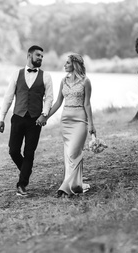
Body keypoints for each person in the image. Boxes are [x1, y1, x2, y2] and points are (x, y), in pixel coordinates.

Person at [0, 45, 53, 197]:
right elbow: (8, 97)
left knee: (29, 153)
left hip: (35, 120)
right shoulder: (17, 74)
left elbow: (49, 98)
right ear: (29, 55)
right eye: (38, 55)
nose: (41, 58)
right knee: (13, 151)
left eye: (42, 56)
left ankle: (22, 184)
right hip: (18, 117)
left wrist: (44, 114)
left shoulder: (46, 76)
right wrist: (1, 118)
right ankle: (26, 169)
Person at [46, 53, 96, 198]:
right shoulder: (63, 81)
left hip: (80, 120)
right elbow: (57, 103)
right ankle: (75, 185)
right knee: (69, 155)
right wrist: (45, 116)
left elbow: (87, 104)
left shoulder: (86, 82)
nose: (64, 65)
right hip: (66, 121)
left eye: (67, 63)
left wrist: (91, 124)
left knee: (74, 152)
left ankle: (65, 188)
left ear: (74, 64)